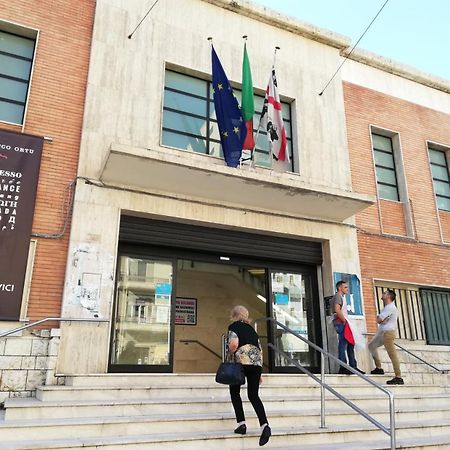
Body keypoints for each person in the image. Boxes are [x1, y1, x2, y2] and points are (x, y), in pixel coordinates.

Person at [227, 305, 271, 447]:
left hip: (241, 362)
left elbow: (234, 344)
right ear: (246, 316)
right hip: (256, 363)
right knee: (253, 395)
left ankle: (242, 424)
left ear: (234, 315)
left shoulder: (233, 326)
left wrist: (230, 352)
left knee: (235, 391)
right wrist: (259, 371)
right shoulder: (252, 329)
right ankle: (265, 426)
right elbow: (259, 348)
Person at [369, 289, 404, 385]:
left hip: (388, 333)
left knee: (392, 354)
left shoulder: (390, 308)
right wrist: (380, 320)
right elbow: (380, 320)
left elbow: (379, 319)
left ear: (388, 296)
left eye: (384, 293)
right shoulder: (387, 307)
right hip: (382, 333)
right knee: (371, 346)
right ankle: (379, 368)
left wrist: (380, 319)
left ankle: (398, 377)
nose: (383, 294)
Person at [331, 280, 364, 375]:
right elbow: (337, 310)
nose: (347, 289)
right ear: (339, 288)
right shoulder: (338, 296)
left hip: (344, 322)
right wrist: (344, 321)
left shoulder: (342, 297)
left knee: (350, 343)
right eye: (345, 287)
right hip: (341, 322)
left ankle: (353, 365)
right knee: (343, 343)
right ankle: (344, 366)